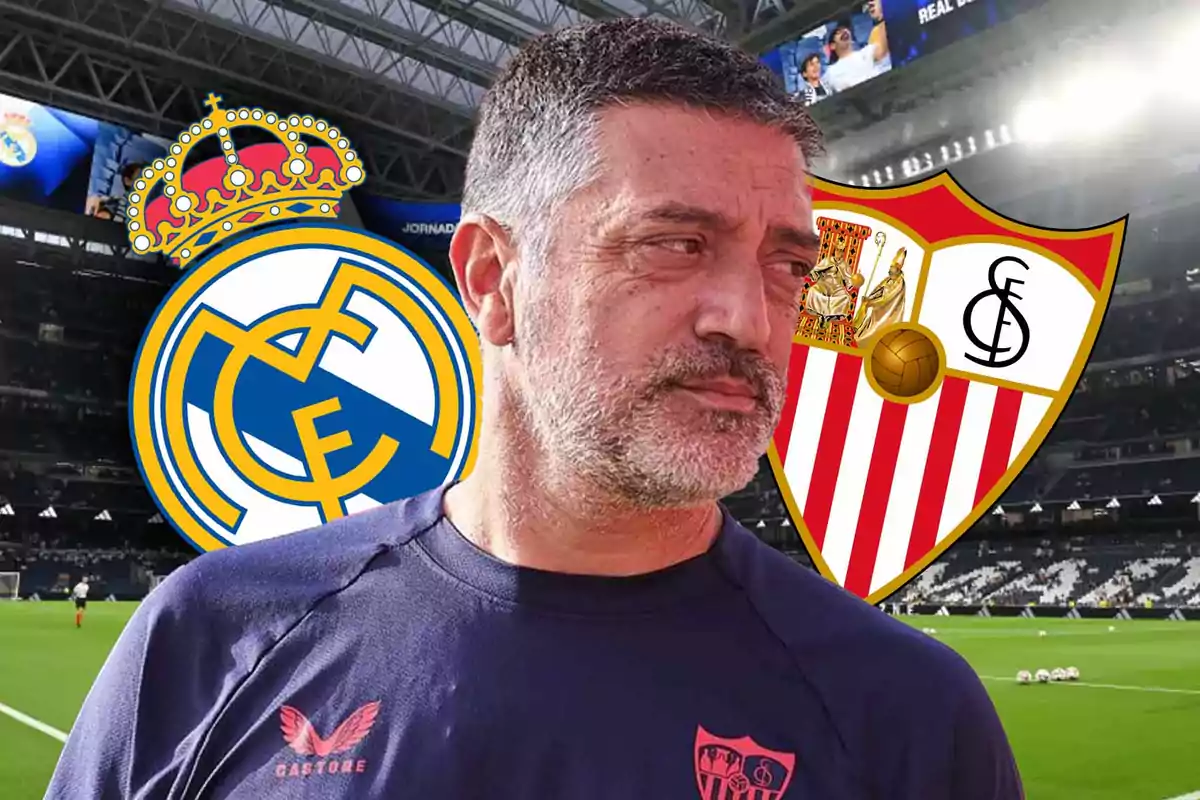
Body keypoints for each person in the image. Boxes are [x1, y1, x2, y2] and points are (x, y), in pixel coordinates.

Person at [47, 18, 1023, 800]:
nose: (751, 318)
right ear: (491, 277)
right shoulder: (209, 639)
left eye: (789, 264)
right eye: (675, 243)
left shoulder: (909, 717)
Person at [853, 246, 908, 341]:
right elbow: (878, 290)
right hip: (879, 308)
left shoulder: (900, 283)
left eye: (892, 269)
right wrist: (869, 298)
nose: (890, 272)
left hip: (888, 311)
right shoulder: (888, 279)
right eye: (890, 269)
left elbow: (887, 298)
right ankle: (857, 327)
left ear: (898, 270)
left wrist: (871, 302)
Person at [823, 19, 889, 93]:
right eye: (838, 33)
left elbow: (882, 51)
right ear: (832, 46)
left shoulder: (866, 52)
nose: (844, 31)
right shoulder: (831, 71)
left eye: (845, 29)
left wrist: (881, 21)